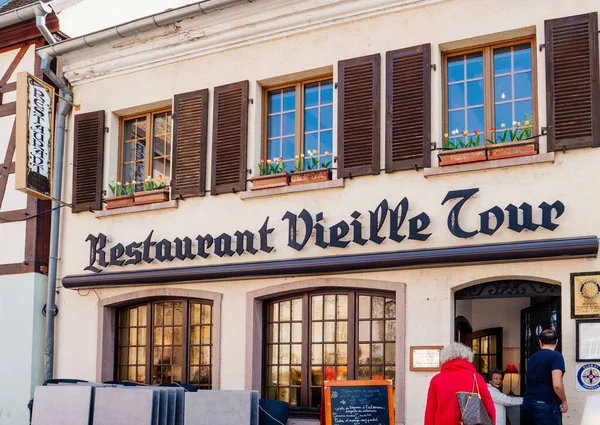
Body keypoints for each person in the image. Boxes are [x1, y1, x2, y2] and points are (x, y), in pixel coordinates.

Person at [424, 342, 496, 425]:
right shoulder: (476, 378)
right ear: (467, 357)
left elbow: (430, 412)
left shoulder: (436, 380)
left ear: (445, 358)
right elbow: (489, 409)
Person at [521, 329, 567, 425]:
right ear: (556, 342)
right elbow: (557, 384)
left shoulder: (533, 357)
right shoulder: (556, 356)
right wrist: (564, 401)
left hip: (528, 403)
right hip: (546, 405)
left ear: (540, 342)